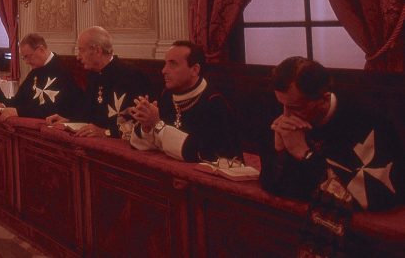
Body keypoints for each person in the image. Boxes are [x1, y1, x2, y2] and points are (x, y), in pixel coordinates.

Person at [260, 56, 402, 211]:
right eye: (282, 105)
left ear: (324, 99)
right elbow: (275, 187)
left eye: (296, 108)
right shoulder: (288, 112)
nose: (286, 115)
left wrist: (304, 154)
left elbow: (370, 198)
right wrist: (280, 151)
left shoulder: (367, 120)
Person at [129, 41, 241, 162]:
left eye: (173, 64)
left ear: (195, 70)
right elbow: (152, 143)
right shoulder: (167, 95)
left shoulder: (214, 103)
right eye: (165, 64)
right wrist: (146, 126)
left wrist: (157, 124)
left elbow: (205, 153)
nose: (164, 70)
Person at [47, 26, 150, 138]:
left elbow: (141, 123)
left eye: (81, 50)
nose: (78, 57)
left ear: (98, 51)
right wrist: (68, 121)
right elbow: (89, 114)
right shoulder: (94, 75)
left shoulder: (131, 76)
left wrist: (106, 132)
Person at [0, 33, 83, 120]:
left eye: (28, 56)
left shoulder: (64, 69)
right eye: (24, 58)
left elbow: (56, 108)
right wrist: (3, 105)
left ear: (41, 49)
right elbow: (19, 99)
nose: (26, 62)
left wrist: (19, 112)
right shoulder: (34, 72)